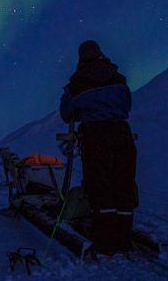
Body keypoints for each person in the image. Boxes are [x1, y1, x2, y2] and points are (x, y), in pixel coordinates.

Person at [59, 40, 137, 255]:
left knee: (99, 184)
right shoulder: (119, 78)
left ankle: (106, 240)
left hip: (95, 135)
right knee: (123, 183)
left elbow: (66, 113)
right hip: (122, 133)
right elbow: (126, 104)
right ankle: (125, 237)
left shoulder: (76, 83)